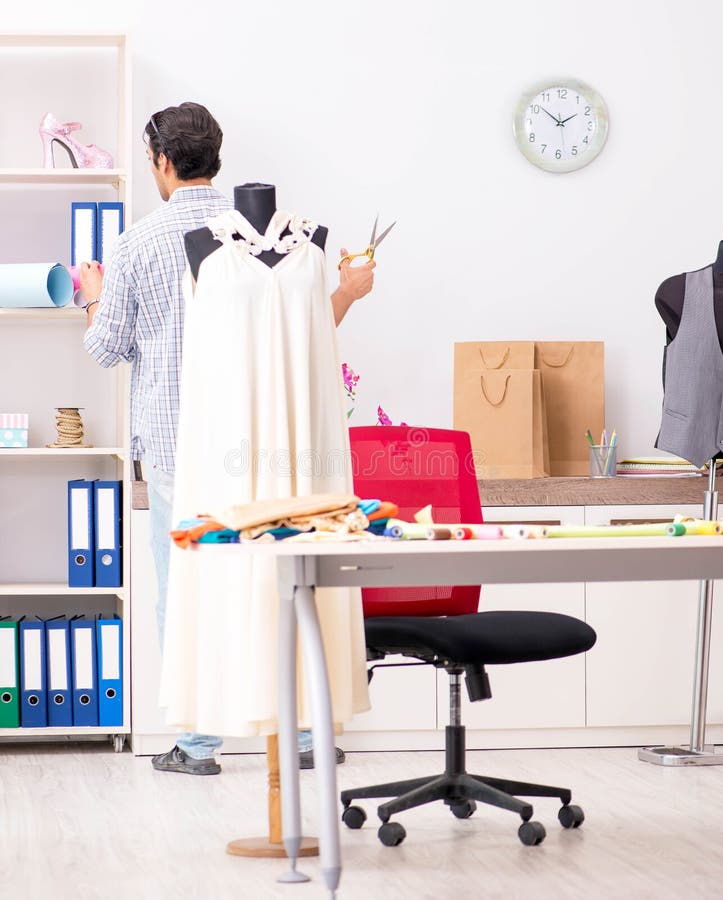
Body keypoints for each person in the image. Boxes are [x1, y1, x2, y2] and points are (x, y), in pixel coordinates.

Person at [81, 102, 376, 775]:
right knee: (283, 573)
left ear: (160, 161)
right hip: (268, 441)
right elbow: (298, 339)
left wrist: (92, 295)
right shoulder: (264, 238)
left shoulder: (137, 243)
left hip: (176, 443)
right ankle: (299, 735)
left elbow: (106, 349)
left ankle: (197, 742)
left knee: (187, 587)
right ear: (217, 156)